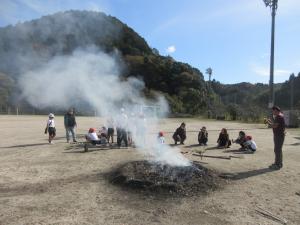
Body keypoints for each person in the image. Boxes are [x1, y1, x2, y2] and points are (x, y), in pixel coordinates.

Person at [266, 106, 286, 170]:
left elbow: (274, 126)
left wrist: (268, 122)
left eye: (273, 111)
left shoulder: (279, 117)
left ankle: (278, 164)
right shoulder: (280, 116)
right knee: (277, 150)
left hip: (279, 136)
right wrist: (270, 121)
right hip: (279, 135)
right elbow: (276, 125)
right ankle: (278, 163)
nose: (273, 112)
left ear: (276, 111)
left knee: (277, 150)